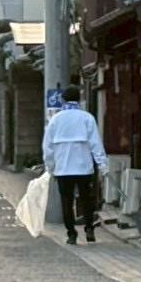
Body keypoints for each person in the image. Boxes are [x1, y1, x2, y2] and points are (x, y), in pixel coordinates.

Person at [42, 84, 107, 245]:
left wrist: (50, 166)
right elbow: (95, 143)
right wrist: (102, 164)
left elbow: (48, 146)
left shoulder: (55, 120)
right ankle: (89, 228)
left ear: (63, 99)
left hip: (63, 168)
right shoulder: (87, 118)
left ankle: (71, 233)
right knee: (87, 199)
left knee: (67, 202)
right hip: (84, 167)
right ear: (79, 99)